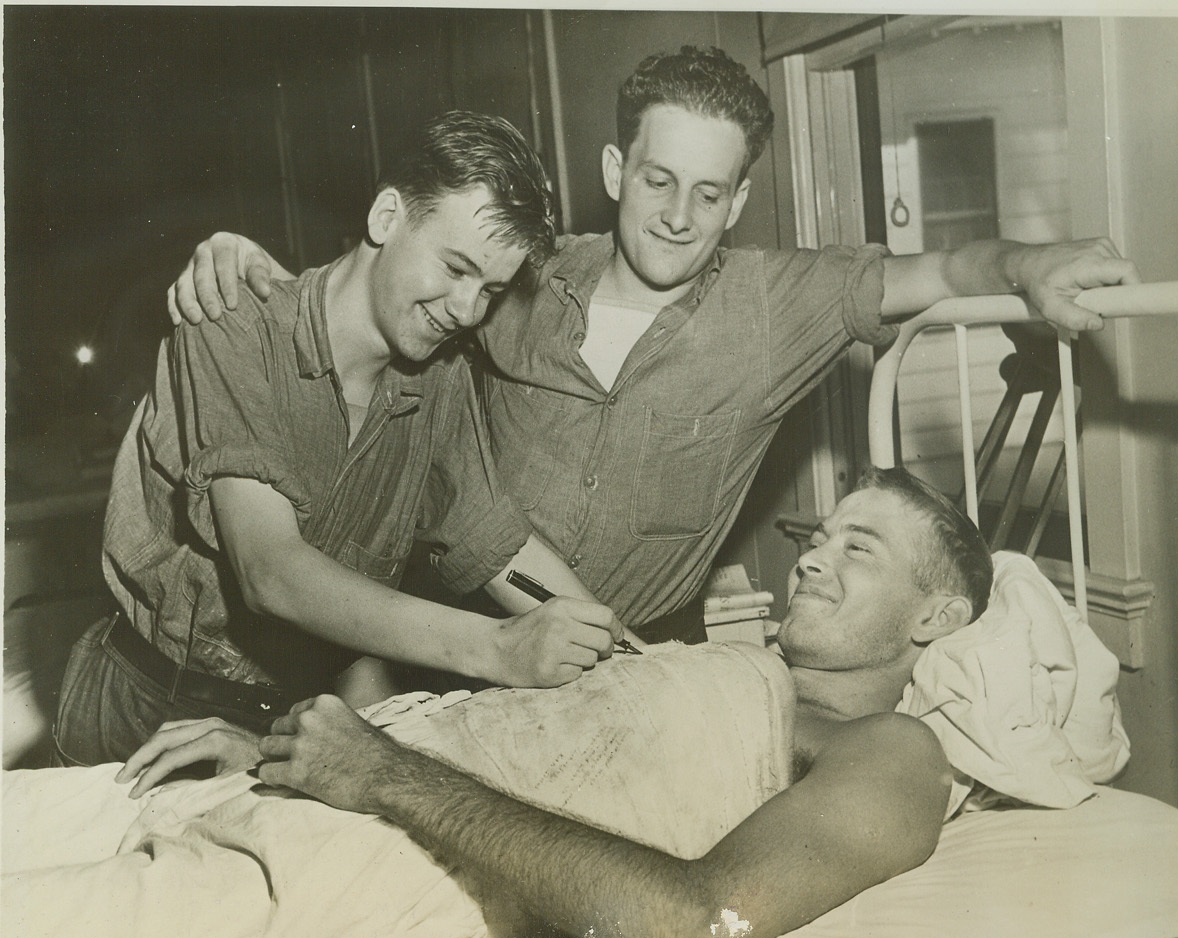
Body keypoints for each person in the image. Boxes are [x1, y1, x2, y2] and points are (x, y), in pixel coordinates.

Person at [169, 46, 1140, 645]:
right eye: (656, 180)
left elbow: (939, 270)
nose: (677, 217)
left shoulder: (775, 305)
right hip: (458, 633)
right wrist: (238, 259)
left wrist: (1027, 264)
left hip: (638, 655)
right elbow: (394, 283)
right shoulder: (520, 278)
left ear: (738, 202)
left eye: (708, 194)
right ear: (613, 170)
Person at [115, 466, 992, 938]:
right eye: (820, 536)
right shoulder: (717, 671)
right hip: (288, 794)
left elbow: (694, 923)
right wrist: (272, 755)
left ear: (937, 620)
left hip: (348, 857)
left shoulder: (893, 753)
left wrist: (378, 771)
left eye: (858, 549)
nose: (810, 561)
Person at [54, 111, 627, 769]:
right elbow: (271, 571)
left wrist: (635, 658)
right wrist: (499, 648)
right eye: (455, 266)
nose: (468, 310)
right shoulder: (233, 322)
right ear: (386, 218)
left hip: (286, 720)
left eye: (492, 289)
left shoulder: (441, 375)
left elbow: (503, 553)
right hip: (145, 706)